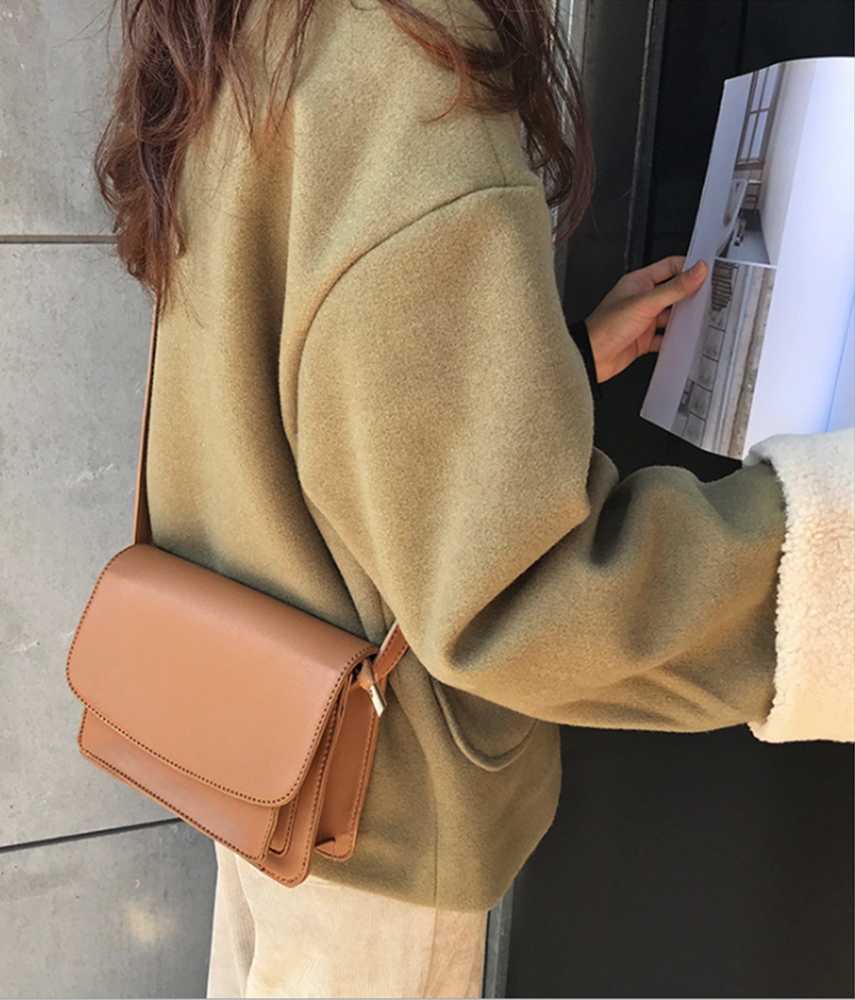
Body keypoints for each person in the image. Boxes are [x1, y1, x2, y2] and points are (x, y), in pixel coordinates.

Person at [93, 0, 854, 994]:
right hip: (372, 813)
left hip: (262, 745)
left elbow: (296, 376)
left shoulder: (254, 27)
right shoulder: (412, 59)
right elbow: (524, 595)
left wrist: (546, 362)